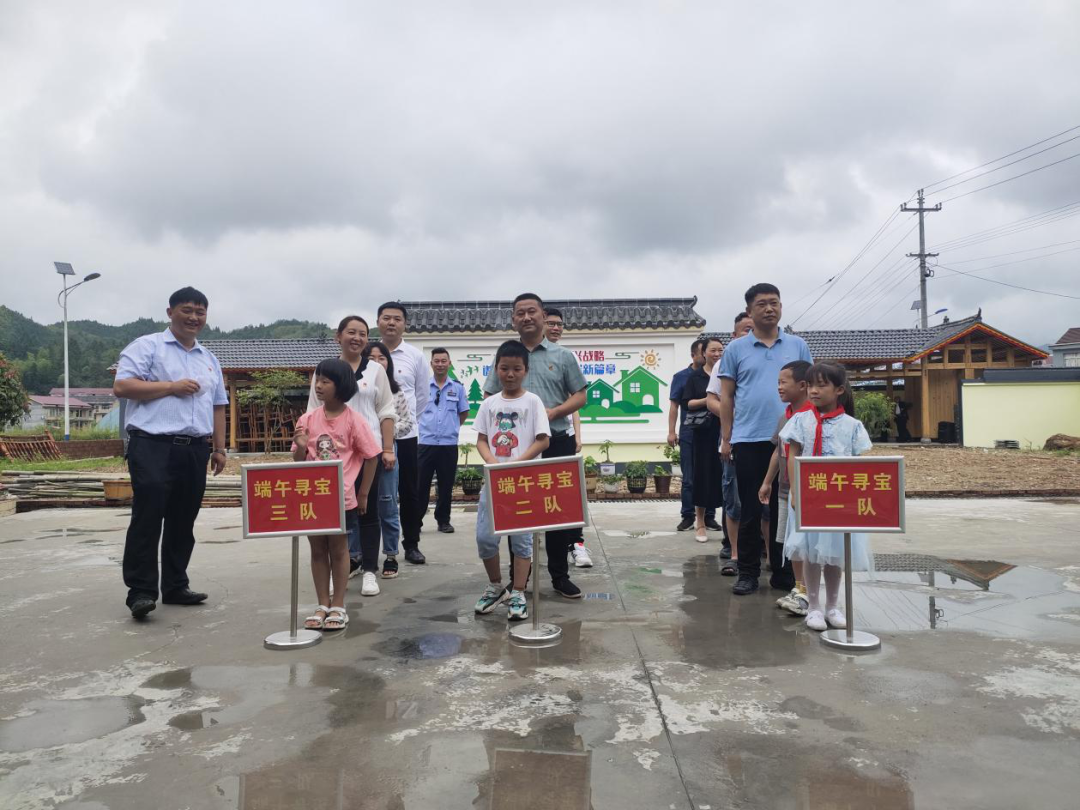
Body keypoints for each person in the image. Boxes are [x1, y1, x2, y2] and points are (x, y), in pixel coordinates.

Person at [114, 287, 228, 620]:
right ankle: (140, 591)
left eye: (200, 312)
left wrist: (219, 448)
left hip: (194, 448)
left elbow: (219, 405)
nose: (194, 317)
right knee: (148, 515)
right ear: (170, 312)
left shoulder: (209, 358)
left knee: (183, 519)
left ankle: (176, 586)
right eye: (187, 310)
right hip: (152, 444)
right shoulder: (147, 346)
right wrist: (170, 386)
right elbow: (122, 386)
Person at [483, 293, 587, 598]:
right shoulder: (505, 355)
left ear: (543, 316)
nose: (526, 317)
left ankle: (560, 576)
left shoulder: (562, 356)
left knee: (557, 511)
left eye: (532, 312)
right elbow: (489, 396)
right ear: (513, 320)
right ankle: (518, 581)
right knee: (514, 512)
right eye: (520, 313)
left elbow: (580, 395)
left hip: (555, 442)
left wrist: (553, 412)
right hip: (514, 449)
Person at [712, 284, 813, 596]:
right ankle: (748, 573)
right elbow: (726, 397)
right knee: (750, 509)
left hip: (793, 439)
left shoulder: (797, 345)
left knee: (787, 509)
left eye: (774, 303)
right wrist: (726, 438)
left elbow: (811, 390)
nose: (769, 309)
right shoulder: (735, 350)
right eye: (762, 304)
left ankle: (783, 573)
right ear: (750, 311)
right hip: (748, 438)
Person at [780, 362, 873, 631]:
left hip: (839, 499)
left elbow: (858, 464)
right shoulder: (800, 421)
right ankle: (814, 606)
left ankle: (832, 606)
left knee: (835, 552)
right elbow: (793, 455)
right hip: (809, 497)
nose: (813, 391)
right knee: (810, 551)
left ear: (839, 390)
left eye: (821, 385)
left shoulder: (852, 426)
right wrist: (795, 490)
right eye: (810, 385)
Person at [306, 316, 396, 582]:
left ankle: (369, 570)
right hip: (332, 455)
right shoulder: (325, 369)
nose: (357, 338)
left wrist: (387, 448)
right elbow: (313, 411)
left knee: (367, 509)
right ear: (339, 336)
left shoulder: (375, 370)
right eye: (351, 332)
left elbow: (386, 410)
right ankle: (344, 567)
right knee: (335, 513)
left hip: (368, 452)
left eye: (363, 334)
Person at [293, 360, 382, 630]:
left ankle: (339, 605)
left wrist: (363, 494)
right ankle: (322, 604)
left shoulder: (355, 421)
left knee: (340, 550)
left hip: (341, 498)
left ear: (341, 386)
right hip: (312, 498)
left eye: (325, 381)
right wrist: (300, 446)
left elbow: (372, 457)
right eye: (317, 380)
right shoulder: (307, 420)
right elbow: (298, 461)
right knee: (317, 550)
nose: (318, 386)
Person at [473, 340, 551, 621]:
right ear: (496, 369)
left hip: (524, 483)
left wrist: (518, 464)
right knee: (485, 538)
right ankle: (496, 587)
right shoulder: (489, 403)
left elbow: (542, 440)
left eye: (517, 369)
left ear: (525, 371)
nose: (510, 374)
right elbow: (481, 440)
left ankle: (518, 591)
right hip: (494, 482)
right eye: (504, 368)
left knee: (522, 542)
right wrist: (493, 464)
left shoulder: (533, 402)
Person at [758, 360, 814, 615]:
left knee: (806, 543)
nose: (779, 387)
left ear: (802, 385)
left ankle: (808, 592)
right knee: (790, 542)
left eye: (783, 382)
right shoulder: (785, 417)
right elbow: (777, 451)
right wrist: (767, 481)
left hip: (807, 493)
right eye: (778, 382)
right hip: (784, 491)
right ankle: (799, 588)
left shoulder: (814, 419)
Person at [376, 303, 430, 565]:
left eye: (397, 319)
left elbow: (422, 396)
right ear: (378, 322)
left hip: (406, 436)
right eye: (386, 318)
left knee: (409, 491)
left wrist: (404, 425)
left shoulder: (415, 356)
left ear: (405, 324)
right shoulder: (369, 354)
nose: (391, 323)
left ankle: (411, 544)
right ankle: (366, 547)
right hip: (372, 436)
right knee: (372, 491)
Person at [544, 307, 592, 568]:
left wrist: (577, 435)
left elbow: (575, 401)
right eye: (551, 323)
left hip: (562, 434)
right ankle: (530, 551)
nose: (556, 328)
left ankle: (575, 543)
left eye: (559, 324)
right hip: (531, 440)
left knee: (568, 494)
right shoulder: (522, 357)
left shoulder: (565, 357)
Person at [362, 342, 414, 576]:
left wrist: (385, 434)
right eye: (370, 358)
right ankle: (357, 556)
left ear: (388, 362)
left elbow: (407, 423)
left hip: (386, 453)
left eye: (381, 358)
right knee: (358, 505)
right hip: (359, 455)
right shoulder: (356, 388)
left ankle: (391, 555)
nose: (376, 362)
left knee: (387, 503)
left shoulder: (396, 391)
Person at [418, 348, 470, 533]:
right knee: (421, 485)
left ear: (449, 363)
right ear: (431, 364)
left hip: (448, 445)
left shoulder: (457, 388)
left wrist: (452, 428)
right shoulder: (423, 386)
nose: (440, 364)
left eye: (443, 361)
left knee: (446, 485)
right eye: (436, 361)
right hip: (425, 443)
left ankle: (443, 521)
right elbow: (415, 411)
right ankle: (416, 521)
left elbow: (463, 412)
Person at [718, 312, 755, 563]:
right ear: (734, 334)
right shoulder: (729, 358)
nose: (750, 334)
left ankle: (769, 556)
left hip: (774, 440)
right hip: (739, 439)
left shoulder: (790, 350)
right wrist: (727, 437)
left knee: (768, 505)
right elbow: (719, 398)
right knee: (736, 502)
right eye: (746, 329)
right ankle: (735, 554)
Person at [680, 338, 724, 544]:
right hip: (704, 433)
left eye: (720, 350)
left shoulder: (727, 374)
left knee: (723, 477)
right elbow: (687, 403)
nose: (717, 354)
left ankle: (722, 521)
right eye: (713, 350)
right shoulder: (695, 377)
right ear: (703, 353)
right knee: (701, 476)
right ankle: (700, 522)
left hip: (726, 430)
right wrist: (710, 399)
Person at [669, 339, 713, 532]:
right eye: (703, 352)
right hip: (689, 432)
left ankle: (709, 517)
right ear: (694, 355)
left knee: (710, 474)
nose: (706, 356)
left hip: (711, 430)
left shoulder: (715, 375)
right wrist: (671, 431)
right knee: (689, 477)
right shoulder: (681, 377)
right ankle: (688, 516)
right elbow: (674, 405)